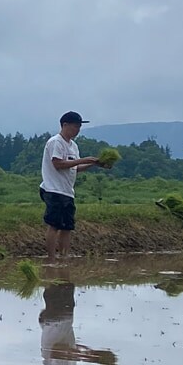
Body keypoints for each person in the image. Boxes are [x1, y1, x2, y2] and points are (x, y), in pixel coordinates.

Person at [40, 111, 111, 260]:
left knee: (67, 227)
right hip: (53, 189)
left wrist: (94, 163)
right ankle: (51, 259)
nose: (77, 130)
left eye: (79, 127)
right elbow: (58, 164)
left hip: (67, 191)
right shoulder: (56, 142)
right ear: (65, 125)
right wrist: (85, 159)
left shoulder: (73, 146)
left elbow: (75, 168)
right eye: (75, 126)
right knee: (54, 224)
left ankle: (64, 258)